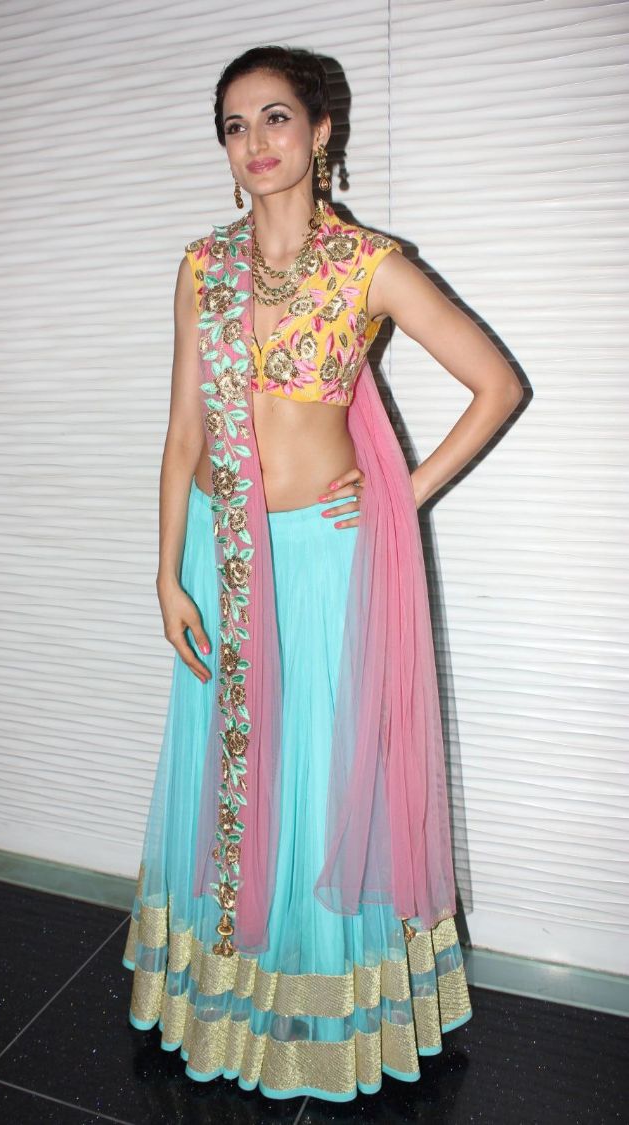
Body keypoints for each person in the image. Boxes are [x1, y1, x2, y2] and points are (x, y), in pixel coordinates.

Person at [123, 44, 522, 1104]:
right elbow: (182, 432)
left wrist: (403, 493)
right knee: (230, 774)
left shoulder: (367, 265)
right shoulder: (202, 268)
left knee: (318, 774)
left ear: (321, 131)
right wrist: (165, 572)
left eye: (276, 117)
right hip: (220, 555)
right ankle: (223, 995)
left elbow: (494, 384)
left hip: (322, 560)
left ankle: (324, 1013)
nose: (255, 142)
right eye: (235, 125)